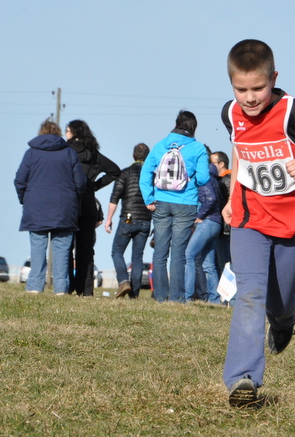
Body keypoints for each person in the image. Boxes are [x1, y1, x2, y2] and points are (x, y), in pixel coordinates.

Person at [220, 39, 295, 407]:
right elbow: (239, 151)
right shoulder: (230, 113)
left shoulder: (294, 114)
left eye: (258, 88)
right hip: (249, 218)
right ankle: (243, 378)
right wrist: (231, 197)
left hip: (293, 224)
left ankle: (284, 323)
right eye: (241, 90)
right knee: (250, 293)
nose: (249, 98)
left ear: (273, 78)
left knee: (281, 300)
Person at [140, 110, 210, 303]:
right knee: (178, 253)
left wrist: (149, 199)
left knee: (160, 252)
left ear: (176, 124)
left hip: (161, 202)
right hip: (186, 204)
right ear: (194, 127)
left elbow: (145, 173)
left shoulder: (160, 145)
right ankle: (177, 298)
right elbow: (203, 178)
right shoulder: (198, 148)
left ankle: (160, 297)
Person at [14, 119, 86, 294]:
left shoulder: (31, 153)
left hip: (36, 208)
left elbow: (20, 180)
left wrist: (25, 200)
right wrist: (73, 200)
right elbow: (80, 182)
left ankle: (34, 286)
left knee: (38, 247)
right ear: (58, 133)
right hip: (64, 208)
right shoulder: (69, 153)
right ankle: (61, 288)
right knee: (62, 250)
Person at [66, 120, 121, 296]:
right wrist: (94, 186)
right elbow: (115, 171)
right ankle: (86, 289)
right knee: (86, 250)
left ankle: (68, 286)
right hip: (88, 204)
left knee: (65, 247)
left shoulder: (65, 152)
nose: (65, 134)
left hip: (69, 203)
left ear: (74, 133)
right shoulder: (94, 155)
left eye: (67, 131)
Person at [105, 143, 152, 299]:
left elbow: (114, 197)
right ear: (147, 157)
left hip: (128, 218)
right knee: (137, 256)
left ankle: (123, 281)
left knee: (117, 251)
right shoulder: (151, 175)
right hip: (145, 219)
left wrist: (109, 219)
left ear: (133, 156)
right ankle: (134, 294)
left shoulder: (125, 173)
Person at [184, 146, 223, 303]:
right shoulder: (214, 176)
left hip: (207, 222)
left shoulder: (204, 176)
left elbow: (210, 198)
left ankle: (187, 297)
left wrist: (200, 216)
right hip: (216, 223)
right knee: (209, 264)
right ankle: (215, 299)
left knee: (189, 255)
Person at [210, 151, 232, 275]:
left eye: (212, 163)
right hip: (225, 227)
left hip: (225, 228)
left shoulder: (226, 180)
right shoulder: (226, 179)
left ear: (221, 164)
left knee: (224, 261)